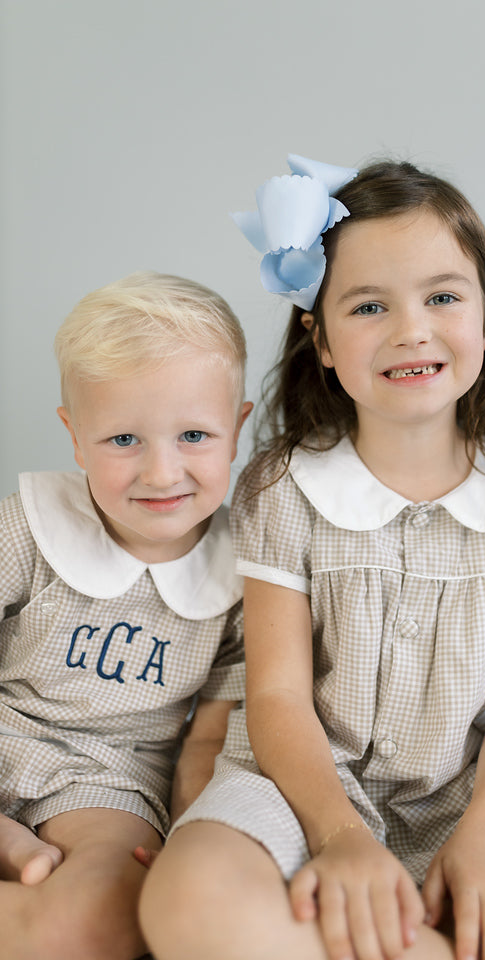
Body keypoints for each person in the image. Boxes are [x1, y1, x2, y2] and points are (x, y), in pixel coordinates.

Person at [139, 156, 485, 960]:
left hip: (472, 797)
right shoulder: (284, 487)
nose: (412, 328)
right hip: (299, 791)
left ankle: (425, 924)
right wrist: (338, 836)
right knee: (190, 903)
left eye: (442, 297)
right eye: (369, 305)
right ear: (324, 341)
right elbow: (275, 697)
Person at [0, 271, 251, 959]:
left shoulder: (242, 574)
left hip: (106, 780)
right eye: (122, 441)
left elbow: (209, 736)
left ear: (239, 430)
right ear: (75, 436)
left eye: (194, 435)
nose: (162, 472)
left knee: (108, 916)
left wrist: (193, 834)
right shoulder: (30, 527)